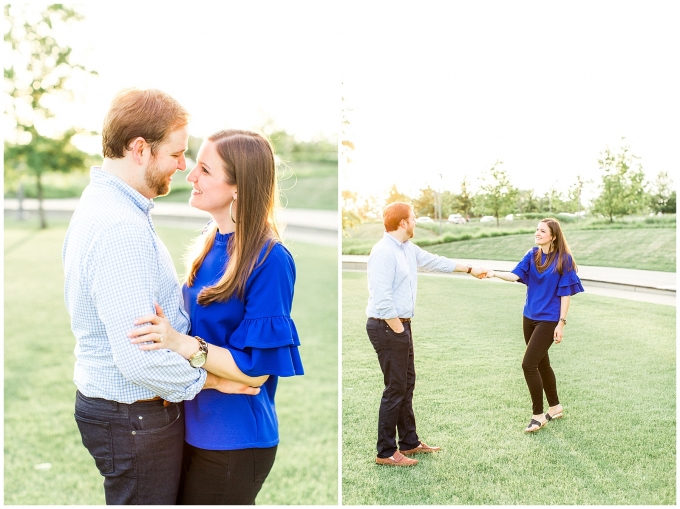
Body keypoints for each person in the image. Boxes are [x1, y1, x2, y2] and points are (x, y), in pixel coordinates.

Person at [63, 89, 261, 505]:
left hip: (125, 415)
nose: (183, 166)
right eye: (176, 153)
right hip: (133, 417)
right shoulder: (120, 226)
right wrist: (214, 380)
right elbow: (139, 357)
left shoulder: (111, 205)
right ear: (140, 149)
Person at [128, 129, 304, 504]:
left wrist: (182, 343)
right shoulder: (212, 240)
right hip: (189, 427)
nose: (190, 176)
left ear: (239, 186)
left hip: (234, 439)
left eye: (205, 170)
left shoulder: (270, 259)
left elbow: (257, 370)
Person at [365, 201, 491, 466]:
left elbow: (436, 262)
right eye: (413, 218)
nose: (416, 222)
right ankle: (386, 452)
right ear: (403, 223)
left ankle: (409, 442)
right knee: (395, 388)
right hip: (387, 326)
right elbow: (382, 300)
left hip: (400, 325)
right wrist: (399, 330)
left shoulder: (406, 249)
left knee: (406, 384)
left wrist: (470, 269)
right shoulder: (383, 252)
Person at [487, 218, 584, 433]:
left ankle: (538, 415)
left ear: (553, 236)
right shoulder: (532, 254)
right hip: (529, 317)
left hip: (549, 320)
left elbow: (566, 293)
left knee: (528, 364)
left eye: (542, 231)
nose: (537, 233)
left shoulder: (563, 259)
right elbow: (515, 275)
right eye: (537, 230)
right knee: (541, 364)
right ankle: (556, 406)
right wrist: (493, 273)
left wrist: (562, 323)